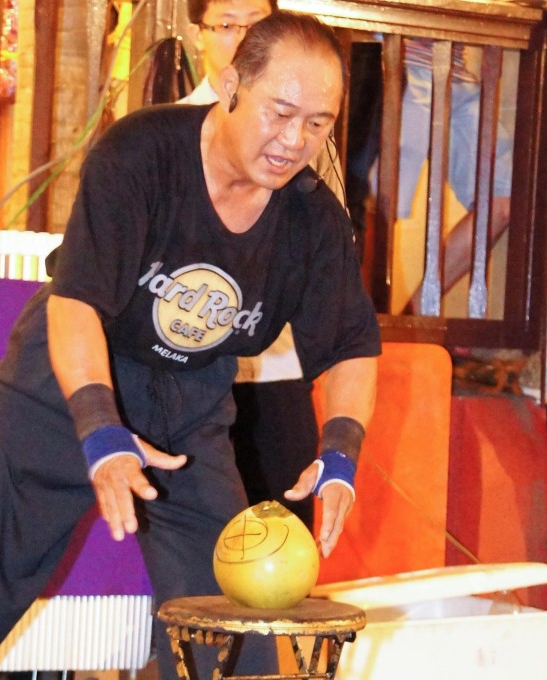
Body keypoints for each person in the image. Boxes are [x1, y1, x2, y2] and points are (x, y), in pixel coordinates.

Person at [0, 12, 380, 680]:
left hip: (188, 408)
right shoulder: (142, 154)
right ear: (233, 83)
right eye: (281, 111)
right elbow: (77, 302)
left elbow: (354, 344)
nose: (294, 140)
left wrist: (342, 453)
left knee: (236, 617)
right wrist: (98, 432)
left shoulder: (311, 219)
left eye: (318, 123)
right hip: (65, 383)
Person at [179, 0, 321, 529]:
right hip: (185, 385)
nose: (241, 39)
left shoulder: (300, 137)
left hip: (276, 375)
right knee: (199, 564)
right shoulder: (164, 137)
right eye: (225, 25)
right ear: (199, 36)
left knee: (284, 548)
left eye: (255, 26)